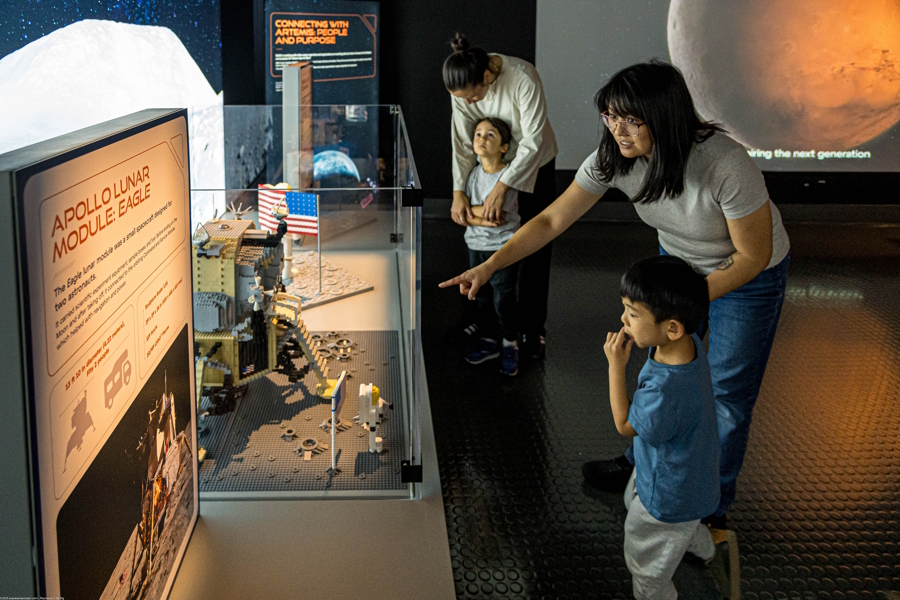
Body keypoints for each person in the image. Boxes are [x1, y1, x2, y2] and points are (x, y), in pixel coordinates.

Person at [439, 61, 791, 528]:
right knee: (659, 373)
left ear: (664, 116)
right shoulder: (613, 158)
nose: (617, 130)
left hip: (749, 278)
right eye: (609, 116)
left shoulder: (725, 164)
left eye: (629, 120)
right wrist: (491, 263)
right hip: (678, 267)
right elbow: (549, 221)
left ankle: (705, 508)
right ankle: (641, 462)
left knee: (724, 395)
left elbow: (752, 255)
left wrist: (675, 305)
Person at [606, 255, 718, 600]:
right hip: (693, 476)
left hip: (666, 494)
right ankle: (704, 548)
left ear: (672, 328)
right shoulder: (690, 346)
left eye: (633, 313)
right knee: (681, 522)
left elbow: (625, 425)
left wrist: (616, 366)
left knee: (646, 566)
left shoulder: (664, 391)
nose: (624, 319)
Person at [443, 33, 558, 359]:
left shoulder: (522, 77)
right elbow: (463, 143)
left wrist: (502, 187)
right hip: (488, 168)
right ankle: (484, 322)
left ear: (488, 77)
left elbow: (533, 141)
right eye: (461, 98)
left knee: (534, 247)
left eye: (473, 97)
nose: (468, 103)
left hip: (534, 164)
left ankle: (532, 329)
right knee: (482, 238)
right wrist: (458, 192)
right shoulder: (464, 89)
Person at [459, 117, 521, 376]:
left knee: (503, 298)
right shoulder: (473, 173)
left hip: (503, 247)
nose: (482, 139)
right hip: (476, 244)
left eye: (490, 135)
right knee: (481, 295)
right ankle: (488, 340)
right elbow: (466, 212)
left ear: (504, 146)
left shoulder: (509, 175)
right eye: (478, 134)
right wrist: (478, 215)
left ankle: (510, 342)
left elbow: (498, 216)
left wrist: (473, 215)